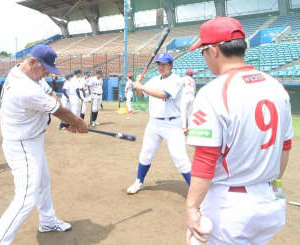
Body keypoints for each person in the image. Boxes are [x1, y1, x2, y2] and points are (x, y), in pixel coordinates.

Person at [185, 16, 293, 245]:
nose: (204, 58)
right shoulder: (276, 86)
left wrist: (192, 207)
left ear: (214, 50)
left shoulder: (213, 92)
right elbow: (285, 147)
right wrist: (273, 184)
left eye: (203, 51)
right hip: (269, 201)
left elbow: (205, 157)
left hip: (230, 207)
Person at [0, 45, 88, 245]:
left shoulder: (20, 71)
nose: (47, 74)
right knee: (25, 198)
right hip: (22, 145)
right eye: (45, 69)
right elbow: (59, 110)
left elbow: (51, 96)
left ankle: (48, 221)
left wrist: (68, 122)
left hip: (33, 139)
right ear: (33, 63)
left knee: (42, 182)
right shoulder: (25, 89)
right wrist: (78, 123)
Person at [126, 53, 192, 194]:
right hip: (154, 123)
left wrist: (141, 86)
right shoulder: (154, 80)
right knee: (146, 153)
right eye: (159, 64)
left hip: (173, 124)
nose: (161, 67)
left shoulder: (176, 80)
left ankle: (196, 192)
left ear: (171, 65)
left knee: (180, 158)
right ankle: (139, 181)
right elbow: (140, 96)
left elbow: (163, 95)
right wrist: (138, 86)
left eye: (164, 64)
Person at [180, 69, 196, 135]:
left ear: (186, 73)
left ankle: (184, 129)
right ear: (192, 74)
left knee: (183, 113)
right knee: (190, 114)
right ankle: (190, 129)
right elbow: (194, 91)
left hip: (185, 96)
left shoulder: (183, 78)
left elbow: (179, 87)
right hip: (192, 97)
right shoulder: (193, 81)